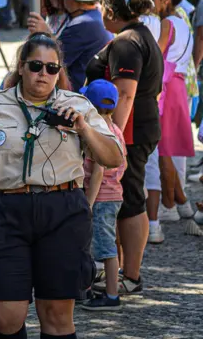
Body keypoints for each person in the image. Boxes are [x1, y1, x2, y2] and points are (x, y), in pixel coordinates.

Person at [0, 34, 123, 339]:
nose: (43, 74)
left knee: (56, 314)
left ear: (59, 71)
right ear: (22, 67)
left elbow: (113, 156)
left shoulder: (76, 105)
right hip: (7, 211)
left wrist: (83, 128)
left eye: (51, 68)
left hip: (62, 210)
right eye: (36, 65)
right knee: (5, 316)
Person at [85, 0, 162, 296]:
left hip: (128, 133)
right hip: (136, 129)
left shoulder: (126, 42)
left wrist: (110, 138)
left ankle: (130, 275)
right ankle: (121, 271)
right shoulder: (138, 35)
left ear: (111, 11)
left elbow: (125, 94)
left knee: (129, 200)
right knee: (127, 197)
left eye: (102, 6)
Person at [145, 0, 195, 238]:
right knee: (169, 149)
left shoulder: (167, 23)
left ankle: (169, 203)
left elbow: (157, 54)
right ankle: (180, 200)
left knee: (162, 150)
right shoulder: (183, 20)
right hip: (178, 85)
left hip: (165, 86)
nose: (151, 2)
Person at [79, 80, 126, 310]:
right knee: (102, 243)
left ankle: (111, 295)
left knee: (105, 246)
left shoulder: (100, 134)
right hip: (114, 194)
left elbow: (97, 172)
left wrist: (88, 203)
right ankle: (94, 288)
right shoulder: (116, 130)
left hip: (102, 198)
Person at [27, 0, 111, 92]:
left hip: (76, 94)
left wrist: (45, 32)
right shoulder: (92, 17)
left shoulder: (84, 24)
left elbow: (53, 57)